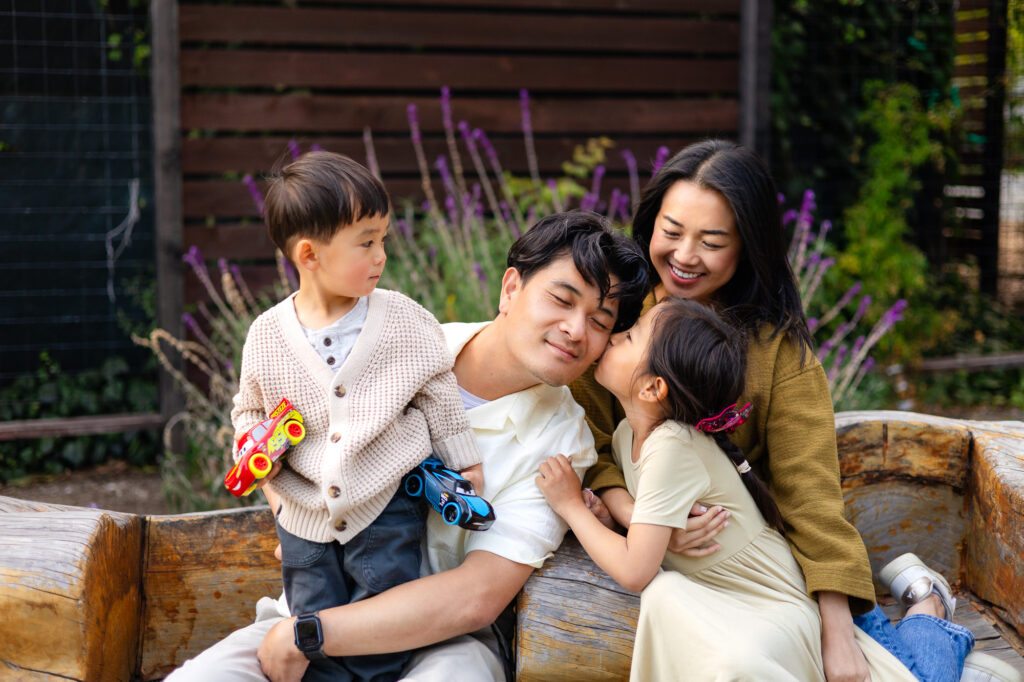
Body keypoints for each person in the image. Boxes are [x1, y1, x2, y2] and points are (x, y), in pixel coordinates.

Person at [165, 209, 650, 682]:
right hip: (313, 601)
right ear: (510, 288)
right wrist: (298, 511)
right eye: (562, 300)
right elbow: (274, 430)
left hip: (441, 644)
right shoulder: (398, 342)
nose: (576, 329)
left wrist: (309, 637)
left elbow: (474, 597)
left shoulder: (565, 443)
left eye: (600, 320)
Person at [568, 138, 983, 681]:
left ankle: (927, 608)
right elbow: (588, 439)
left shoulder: (779, 355)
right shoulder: (619, 319)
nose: (684, 256)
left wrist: (836, 637)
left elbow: (809, 501)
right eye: (670, 233)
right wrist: (641, 519)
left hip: (768, 584)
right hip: (672, 569)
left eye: (711, 241)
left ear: (748, 245)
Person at [540, 298, 973, 681]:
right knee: (667, 598)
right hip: (728, 607)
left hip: (773, 613)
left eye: (630, 336)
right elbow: (648, 539)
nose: (613, 337)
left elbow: (635, 570)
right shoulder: (625, 435)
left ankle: (927, 613)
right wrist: (610, 515)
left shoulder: (672, 446)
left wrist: (571, 507)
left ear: (653, 387)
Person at [226, 150, 484, 680]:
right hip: (303, 519)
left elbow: (438, 391)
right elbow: (248, 410)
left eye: (383, 238)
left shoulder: (404, 320)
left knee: (381, 625)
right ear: (309, 255)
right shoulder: (267, 336)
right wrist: (262, 466)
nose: (381, 254)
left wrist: (466, 464)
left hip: (385, 507)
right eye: (366, 242)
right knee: (312, 620)